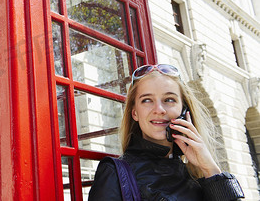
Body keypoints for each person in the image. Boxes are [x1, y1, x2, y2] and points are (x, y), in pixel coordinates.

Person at [88, 64, 245, 201]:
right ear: (135, 113)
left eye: (169, 100)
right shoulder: (115, 173)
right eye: (147, 100)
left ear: (184, 111)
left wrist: (210, 169)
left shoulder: (199, 175)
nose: (159, 110)